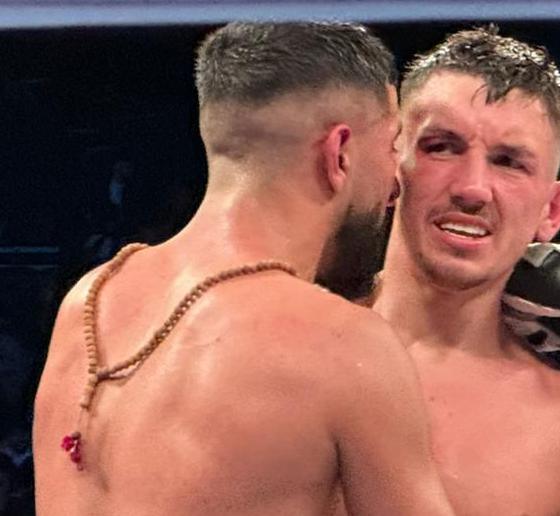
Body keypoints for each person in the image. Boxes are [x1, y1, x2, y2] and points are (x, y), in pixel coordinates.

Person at [33, 22, 453, 516]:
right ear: (338, 153)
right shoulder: (341, 343)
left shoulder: (90, 299)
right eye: (390, 147)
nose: (396, 183)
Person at [372, 27, 560, 514]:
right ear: (390, 166)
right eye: (442, 147)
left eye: (508, 162)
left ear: (554, 210)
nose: (473, 188)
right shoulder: (280, 347)